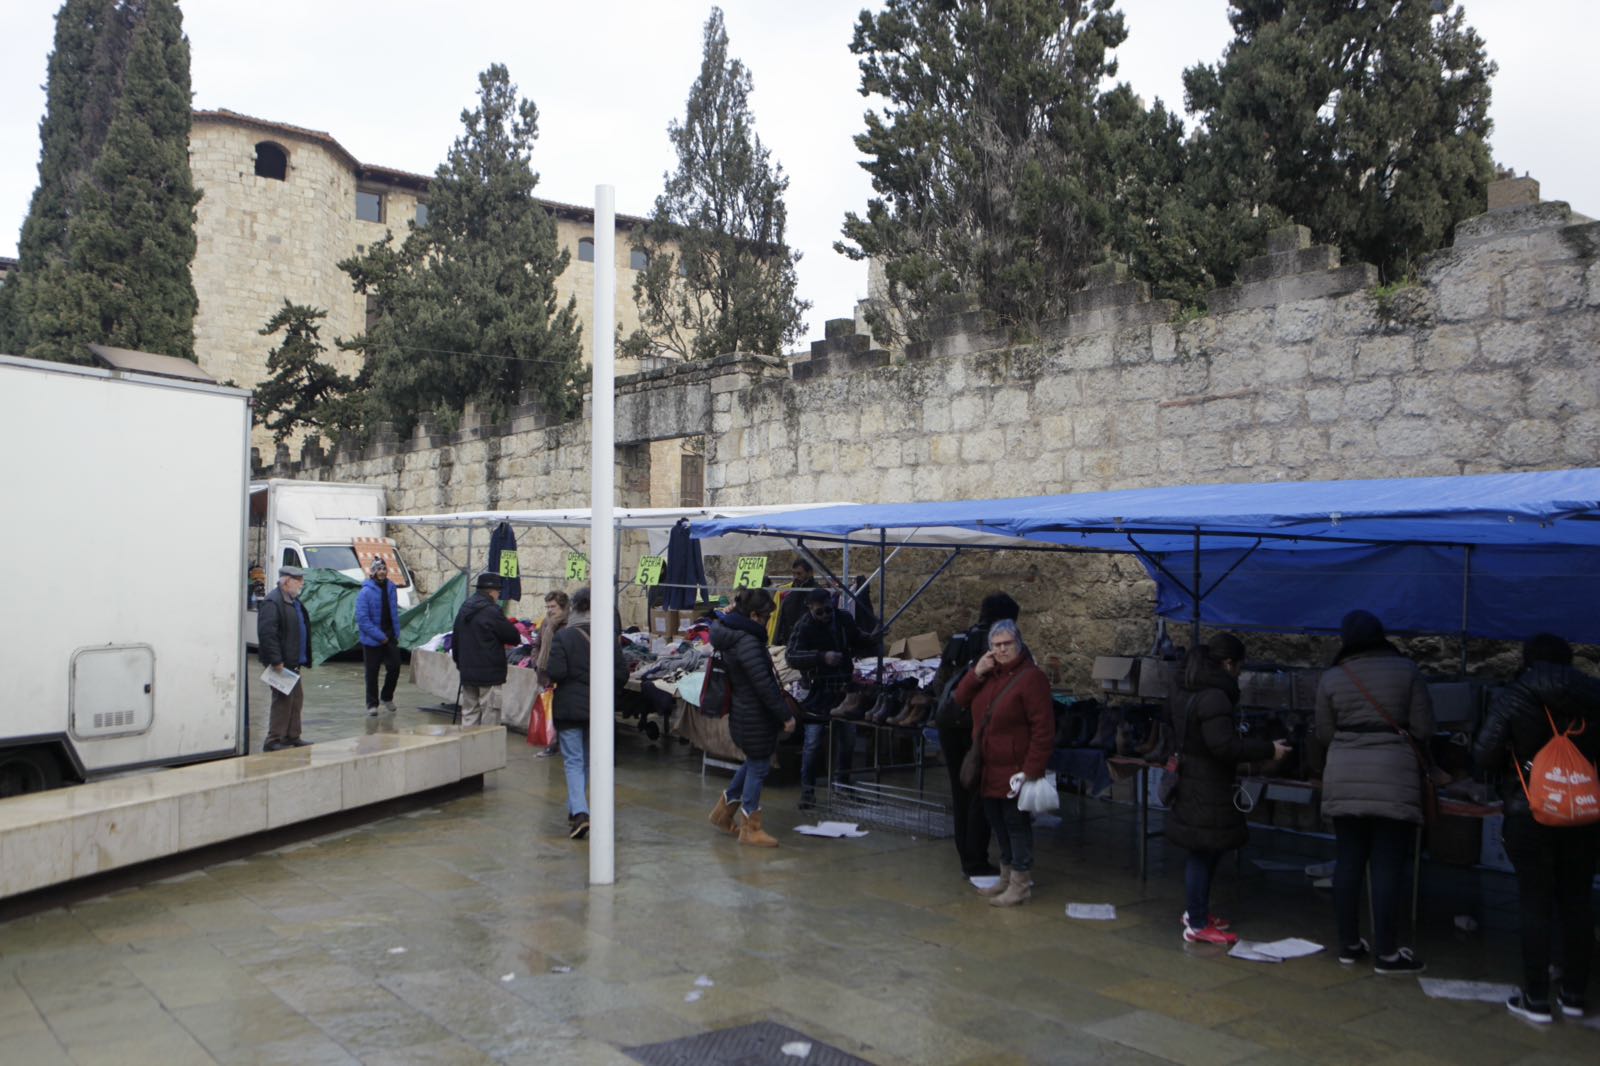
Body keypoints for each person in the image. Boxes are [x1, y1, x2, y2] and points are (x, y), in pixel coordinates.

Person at [1474, 633, 1600, 1023]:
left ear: (1528, 659)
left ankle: (1536, 998)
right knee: (1578, 899)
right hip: (1583, 811)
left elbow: (1484, 753)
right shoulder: (1593, 694)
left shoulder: (1515, 694)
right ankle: (1576, 995)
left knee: (1535, 900)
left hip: (1530, 810)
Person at [1314, 609, 1434, 974]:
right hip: (1393, 774)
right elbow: (1424, 727)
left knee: (1348, 861)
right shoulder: (1407, 671)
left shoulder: (1333, 677)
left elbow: (1323, 732)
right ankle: (1387, 953)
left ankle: (1349, 946)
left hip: (1344, 771)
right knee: (1387, 866)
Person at [1166, 632, 1285, 944]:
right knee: (1203, 850)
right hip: (1207, 782)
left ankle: (1197, 912)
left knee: (1208, 847)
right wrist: (1267, 750)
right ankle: (1197, 921)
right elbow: (1222, 745)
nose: (1240, 674)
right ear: (1229, 663)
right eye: (1240, 667)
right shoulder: (1215, 696)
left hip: (1193, 777)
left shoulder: (1186, 688)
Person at [953, 618, 1053, 906]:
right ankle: (1006, 877)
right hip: (988, 766)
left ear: (1018, 644)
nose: (1001, 650)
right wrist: (976, 672)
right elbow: (960, 698)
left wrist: (1032, 771)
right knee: (998, 824)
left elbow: (1043, 729)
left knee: (1016, 826)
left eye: (1007, 644)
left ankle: (1020, 883)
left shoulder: (1031, 678)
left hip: (1015, 769)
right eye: (996, 645)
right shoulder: (989, 674)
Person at [933, 592, 1019, 878]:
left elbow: (940, 681)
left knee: (961, 792)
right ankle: (975, 861)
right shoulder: (1002, 646)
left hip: (949, 722)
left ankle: (966, 857)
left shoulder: (958, 639)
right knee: (980, 793)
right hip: (977, 726)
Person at [708, 587, 797, 847]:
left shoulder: (734, 634)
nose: (769, 621)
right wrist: (785, 715)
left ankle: (722, 814)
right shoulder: (747, 641)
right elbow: (763, 685)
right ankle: (750, 828)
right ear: (755, 615)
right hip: (753, 714)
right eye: (767, 616)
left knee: (754, 762)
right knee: (758, 767)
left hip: (745, 712)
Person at [786, 587, 878, 809]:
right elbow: (791, 657)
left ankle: (842, 786)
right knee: (813, 742)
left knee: (847, 739)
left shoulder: (843, 618)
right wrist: (821, 657)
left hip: (844, 688)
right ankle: (808, 792)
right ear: (810, 608)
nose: (826, 615)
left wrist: (872, 637)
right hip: (818, 691)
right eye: (820, 612)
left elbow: (857, 639)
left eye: (829, 610)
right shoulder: (804, 626)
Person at [548, 587, 628, 840]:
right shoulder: (607, 636)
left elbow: (556, 672)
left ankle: (580, 813)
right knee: (587, 761)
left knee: (574, 761)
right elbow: (622, 674)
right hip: (599, 709)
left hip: (570, 708)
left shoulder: (564, 637)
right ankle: (577, 810)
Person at [451, 572, 521, 728]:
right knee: (490, 717)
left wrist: (460, 664)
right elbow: (513, 636)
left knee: (469, 714)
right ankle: (486, 751)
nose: (499, 595)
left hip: (468, 672)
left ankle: (468, 749)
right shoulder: (492, 611)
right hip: (489, 674)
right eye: (498, 591)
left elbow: (455, 639)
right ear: (491, 592)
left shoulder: (464, 608)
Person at [256, 565, 313, 751]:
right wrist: (276, 660)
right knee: (282, 700)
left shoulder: (293, 601)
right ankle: (273, 739)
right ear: (287, 581)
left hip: (293, 661)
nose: (302, 584)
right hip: (282, 662)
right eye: (298, 581)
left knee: (296, 699)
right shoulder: (273, 602)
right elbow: (267, 634)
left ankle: (292, 736)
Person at [355, 557, 402, 716]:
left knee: (395, 667)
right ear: (373, 572)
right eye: (379, 569)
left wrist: (396, 632)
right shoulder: (365, 592)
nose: (382, 572)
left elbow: (394, 611)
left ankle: (386, 697)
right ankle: (372, 704)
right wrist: (379, 636)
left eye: (384, 569)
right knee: (372, 672)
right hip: (372, 639)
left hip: (390, 635)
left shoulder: (391, 588)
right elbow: (362, 620)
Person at [534, 589, 570, 759]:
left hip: (560, 674)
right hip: (543, 672)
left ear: (563, 607)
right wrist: (536, 660)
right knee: (547, 712)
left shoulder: (568, 625)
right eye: (547, 606)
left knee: (560, 711)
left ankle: (562, 745)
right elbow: (537, 644)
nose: (549, 609)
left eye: (553, 606)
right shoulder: (546, 623)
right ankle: (551, 745)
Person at [771, 558, 817, 646]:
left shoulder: (817, 593)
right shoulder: (789, 593)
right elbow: (782, 621)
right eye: (794, 574)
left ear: (810, 573)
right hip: (789, 643)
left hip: (810, 643)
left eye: (799, 573)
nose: (796, 577)